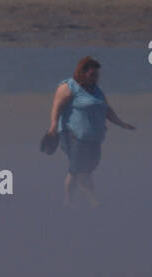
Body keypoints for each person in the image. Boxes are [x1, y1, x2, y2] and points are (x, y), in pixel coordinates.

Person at [47, 56, 135, 206]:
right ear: (82, 72)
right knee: (77, 169)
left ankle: (83, 200)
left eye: (97, 75)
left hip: (94, 138)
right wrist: (53, 127)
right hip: (74, 136)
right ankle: (77, 201)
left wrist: (121, 124)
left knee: (87, 168)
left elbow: (106, 109)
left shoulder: (97, 91)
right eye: (92, 74)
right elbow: (57, 106)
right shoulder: (69, 87)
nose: (95, 78)